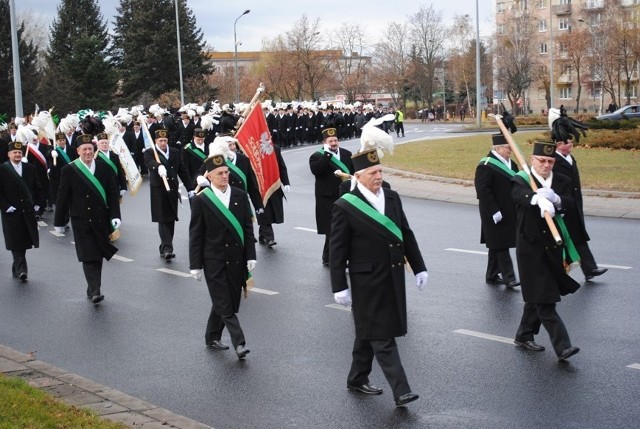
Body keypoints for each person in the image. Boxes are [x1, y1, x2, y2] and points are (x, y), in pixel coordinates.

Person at [330, 147, 428, 407]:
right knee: (382, 335)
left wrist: (419, 267)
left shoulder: (392, 198)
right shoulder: (345, 206)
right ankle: (401, 389)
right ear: (358, 176)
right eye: (373, 172)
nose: (378, 176)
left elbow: (405, 233)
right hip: (366, 280)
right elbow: (337, 250)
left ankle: (357, 377)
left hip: (393, 275)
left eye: (381, 170)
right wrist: (339, 286)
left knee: (368, 330)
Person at [511, 141, 581, 361]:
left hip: (554, 247)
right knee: (545, 299)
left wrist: (556, 199)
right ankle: (563, 346)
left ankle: (524, 334)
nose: (546, 165)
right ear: (533, 160)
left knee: (536, 296)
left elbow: (571, 203)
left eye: (550, 161)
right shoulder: (521, 179)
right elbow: (518, 196)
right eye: (542, 160)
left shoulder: (561, 180)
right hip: (530, 249)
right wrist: (536, 198)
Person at [189, 151, 256, 359]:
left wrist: (251, 255)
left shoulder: (240, 195)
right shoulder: (202, 200)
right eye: (219, 173)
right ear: (209, 176)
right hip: (213, 258)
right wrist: (195, 264)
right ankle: (239, 342)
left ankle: (211, 336)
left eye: (226, 172)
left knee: (230, 299)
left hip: (236, 257)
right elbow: (196, 234)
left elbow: (247, 229)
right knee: (224, 302)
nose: (224, 176)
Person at [53, 134, 121, 304]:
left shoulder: (104, 168)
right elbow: (62, 197)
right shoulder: (69, 170)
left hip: (101, 219)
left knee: (98, 255)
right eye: (84, 149)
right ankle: (95, 289)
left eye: (90, 149)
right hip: (81, 220)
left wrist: (116, 216)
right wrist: (59, 222)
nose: (88, 152)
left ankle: (93, 287)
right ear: (78, 151)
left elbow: (113, 194)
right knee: (88, 255)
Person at [549, 107, 607, 281]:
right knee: (561, 241)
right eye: (569, 142)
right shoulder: (553, 160)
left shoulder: (570, 158)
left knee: (579, 238)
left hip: (574, 205)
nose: (572, 145)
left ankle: (590, 269)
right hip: (562, 207)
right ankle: (555, 272)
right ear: (559, 145)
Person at [474, 133, 520, 288]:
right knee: (501, 244)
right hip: (492, 212)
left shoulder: (512, 164)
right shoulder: (485, 165)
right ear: (498, 148)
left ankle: (492, 275)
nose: (510, 151)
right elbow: (483, 191)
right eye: (508, 148)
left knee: (496, 244)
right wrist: (494, 211)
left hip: (509, 210)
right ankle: (509, 277)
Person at [144, 129, 195, 261]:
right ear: (155, 141)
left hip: (172, 189)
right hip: (158, 190)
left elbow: (182, 170)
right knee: (162, 219)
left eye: (165, 140)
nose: (163, 143)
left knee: (171, 219)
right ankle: (168, 249)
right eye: (160, 141)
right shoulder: (150, 152)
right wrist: (157, 166)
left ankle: (164, 247)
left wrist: (190, 188)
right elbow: (149, 163)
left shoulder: (174, 152)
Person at [309, 128, 354, 266]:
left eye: (335, 140)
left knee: (342, 228)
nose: (333, 143)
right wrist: (327, 155)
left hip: (345, 196)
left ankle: (328, 256)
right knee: (332, 229)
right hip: (327, 199)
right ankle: (333, 258)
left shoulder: (347, 154)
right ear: (324, 142)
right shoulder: (316, 156)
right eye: (330, 141)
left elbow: (353, 173)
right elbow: (316, 171)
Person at [0, 141, 44, 282]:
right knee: (15, 240)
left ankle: (17, 267)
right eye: (15, 152)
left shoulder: (30, 168)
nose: (18, 154)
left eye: (19, 152)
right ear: (9, 154)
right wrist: (5, 206)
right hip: (11, 212)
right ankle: (22, 270)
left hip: (27, 211)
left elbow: (38, 188)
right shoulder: (2, 169)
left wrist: (38, 204)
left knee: (23, 240)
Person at [257, 144, 290, 248]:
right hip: (260, 186)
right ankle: (269, 238)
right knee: (264, 211)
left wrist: (286, 182)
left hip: (274, 185)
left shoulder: (275, 149)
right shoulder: (253, 150)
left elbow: (281, 166)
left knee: (272, 211)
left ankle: (262, 234)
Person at [95, 133, 127, 201]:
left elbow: (120, 172)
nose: (104, 144)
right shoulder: (95, 157)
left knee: (115, 209)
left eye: (106, 143)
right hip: (102, 186)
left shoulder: (115, 156)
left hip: (115, 186)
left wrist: (123, 186)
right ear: (98, 145)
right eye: (102, 143)